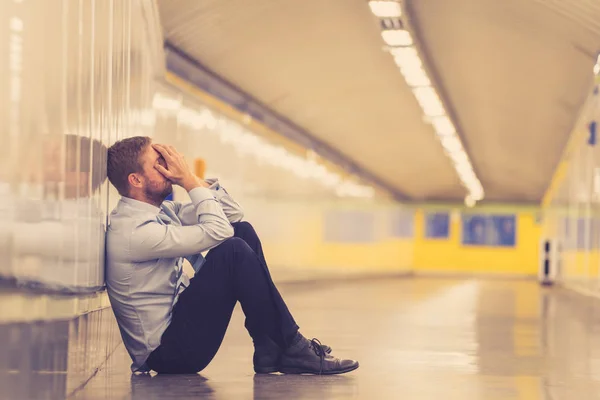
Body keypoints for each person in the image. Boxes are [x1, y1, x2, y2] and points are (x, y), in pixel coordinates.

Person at [105, 136, 359, 375]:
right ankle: (290, 345)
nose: (168, 168)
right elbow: (218, 231)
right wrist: (189, 182)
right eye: (158, 163)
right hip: (169, 353)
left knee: (242, 231)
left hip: (180, 323)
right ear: (136, 180)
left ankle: (269, 348)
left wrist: (191, 177)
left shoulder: (163, 212)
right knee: (233, 250)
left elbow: (233, 214)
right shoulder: (134, 232)